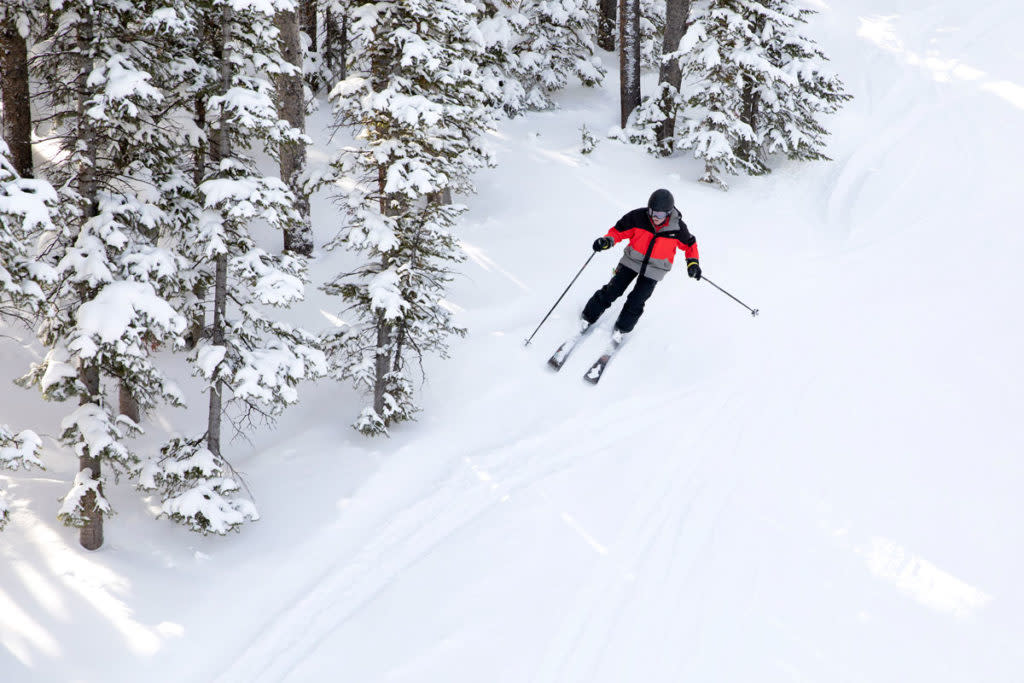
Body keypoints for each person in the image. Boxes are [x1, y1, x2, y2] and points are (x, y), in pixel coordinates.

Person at [582, 188, 700, 339]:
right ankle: (587, 317)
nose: (655, 217)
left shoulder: (677, 228)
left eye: (660, 214)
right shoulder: (638, 217)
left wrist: (693, 263)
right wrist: (606, 241)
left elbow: (690, 244)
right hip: (631, 260)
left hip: (655, 269)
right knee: (612, 290)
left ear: (669, 213)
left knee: (636, 301)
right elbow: (618, 231)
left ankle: (622, 329)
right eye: (652, 212)